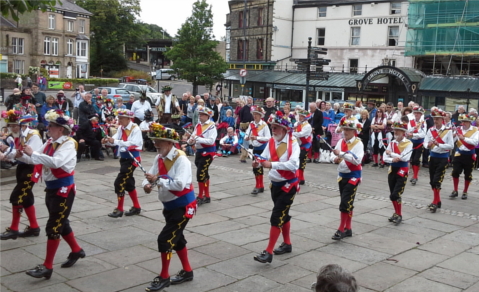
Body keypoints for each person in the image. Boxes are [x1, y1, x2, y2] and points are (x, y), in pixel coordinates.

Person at [18, 109, 85, 279]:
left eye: (51, 126)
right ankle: (76, 250)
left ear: (60, 129)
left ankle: (47, 266)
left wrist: (34, 154)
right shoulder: (49, 141)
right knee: (62, 222)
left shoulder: (68, 143)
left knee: (54, 226)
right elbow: (35, 158)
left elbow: (56, 162)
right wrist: (21, 154)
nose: (48, 128)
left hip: (64, 190)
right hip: (51, 188)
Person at [142, 123, 197, 292]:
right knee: (177, 239)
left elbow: (180, 185)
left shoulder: (181, 159)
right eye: (155, 140)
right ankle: (187, 271)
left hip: (183, 205)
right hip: (170, 205)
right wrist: (146, 184)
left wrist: (156, 181)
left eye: (159, 141)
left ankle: (164, 277)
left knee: (165, 240)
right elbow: (150, 176)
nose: (155, 144)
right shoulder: (159, 158)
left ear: (169, 143)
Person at [253, 111, 299, 264]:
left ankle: (268, 252)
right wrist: (258, 161)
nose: (273, 130)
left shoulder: (293, 143)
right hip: (275, 184)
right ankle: (287, 244)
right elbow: (264, 157)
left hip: (288, 185)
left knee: (276, 216)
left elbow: (293, 165)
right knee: (283, 215)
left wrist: (271, 164)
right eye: (272, 127)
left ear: (285, 129)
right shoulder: (272, 141)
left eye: (276, 127)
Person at [0, 113, 43, 240]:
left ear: (22, 124)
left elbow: (32, 158)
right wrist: (8, 157)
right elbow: (17, 155)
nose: (12, 128)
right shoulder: (17, 136)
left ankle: (14, 229)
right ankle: (34, 227)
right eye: (10, 125)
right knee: (26, 197)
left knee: (17, 197)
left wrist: (8, 151)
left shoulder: (33, 136)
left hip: (31, 168)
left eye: (15, 125)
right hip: (22, 167)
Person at [102, 109, 143, 218]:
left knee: (119, 183)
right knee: (129, 183)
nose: (119, 120)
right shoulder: (121, 128)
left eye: (121, 118)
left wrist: (114, 141)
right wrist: (108, 140)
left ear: (128, 119)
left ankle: (119, 209)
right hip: (124, 158)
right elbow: (115, 139)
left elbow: (134, 143)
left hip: (132, 159)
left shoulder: (136, 129)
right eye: (119, 118)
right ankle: (136, 207)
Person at [331, 118, 364, 240]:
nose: (345, 131)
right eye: (344, 129)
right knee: (347, 202)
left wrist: (341, 154)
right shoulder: (340, 141)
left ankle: (341, 229)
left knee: (345, 203)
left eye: (348, 129)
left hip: (353, 176)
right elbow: (334, 153)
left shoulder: (358, 143)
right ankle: (348, 228)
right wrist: (334, 158)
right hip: (342, 175)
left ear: (354, 131)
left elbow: (357, 160)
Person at [424, 108, 454, 213]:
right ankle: (438, 200)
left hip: (443, 158)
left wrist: (439, 144)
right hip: (432, 157)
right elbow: (425, 142)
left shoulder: (448, 131)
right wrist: (427, 145)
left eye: (437, 119)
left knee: (437, 181)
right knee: (432, 181)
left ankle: (435, 202)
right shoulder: (430, 130)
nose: (435, 121)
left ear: (442, 119)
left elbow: (451, 145)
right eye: (434, 119)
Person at [383, 122, 412, 225]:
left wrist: (391, 154)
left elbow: (404, 158)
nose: (395, 132)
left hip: (402, 170)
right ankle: (396, 213)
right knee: (392, 193)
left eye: (398, 130)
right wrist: (392, 159)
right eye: (394, 130)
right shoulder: (392, 143)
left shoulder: (408, 143)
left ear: (403, 132)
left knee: (396, 193)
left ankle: (399, 214)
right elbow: (384, 157)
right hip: (392, 169)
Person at [187, 106, 217, 205]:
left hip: (208, 152)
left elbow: (211, 141)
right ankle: (207, 196)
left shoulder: (212, 126)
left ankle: (200, 196)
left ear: (207, 116)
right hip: (199, 151)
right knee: (204, 173)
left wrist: (198, 139)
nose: (199, 116)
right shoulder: (198, 125)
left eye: (202, 115)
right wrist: (190, 140)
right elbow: (193, 136)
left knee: (200, 173)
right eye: (199, 114)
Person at [450, 113, 479, 200]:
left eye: (466, 121)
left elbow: (475, 142)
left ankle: (465, 191)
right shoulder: (458, 129)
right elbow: (453, 141)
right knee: (455, 172)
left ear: (470, 122)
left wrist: (464, 138)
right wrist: (454, 136)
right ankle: (455, 190)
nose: (464, 123)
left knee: (468, 174)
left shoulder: (475, 130)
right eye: (463, 121)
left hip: (469, 155)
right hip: (459, 154)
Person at [245, 106, 271, 195]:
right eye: (254, 114)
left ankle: (260, 186)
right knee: (255, 168)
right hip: (255, 148)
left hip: (263, 149)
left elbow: (268, 138)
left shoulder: (264, 125)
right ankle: (258, 185)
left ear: (260, 116)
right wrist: (246, 137)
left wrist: (257, 137)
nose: (255, 116)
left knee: (259, 167)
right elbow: (247, 133)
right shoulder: (251, 124)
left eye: (257, 114)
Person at [406, 106, 426, 186]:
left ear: (421, 114)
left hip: (419, 143)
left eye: (418, 113)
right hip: (411, 142)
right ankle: (413, 175)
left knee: (416, 159)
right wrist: (413, 129)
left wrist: (413, 134)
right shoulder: (410, 121)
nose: (417, 114)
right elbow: (408, 131)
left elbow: (423, 134)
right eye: (415, 113)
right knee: (411, 159)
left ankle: (415, 176)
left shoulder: (423, 123)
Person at [293, 109, 312, 185]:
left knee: (302, 162)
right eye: (300, 116)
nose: (300, 117)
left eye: (302, 116)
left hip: (304, 145)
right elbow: (293, 128)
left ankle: (301, 178)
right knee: (296, 160)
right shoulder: (297, 123)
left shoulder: (307, 126)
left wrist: (292, 133)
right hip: (297, 145)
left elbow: (301, 134)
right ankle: (297, 176)